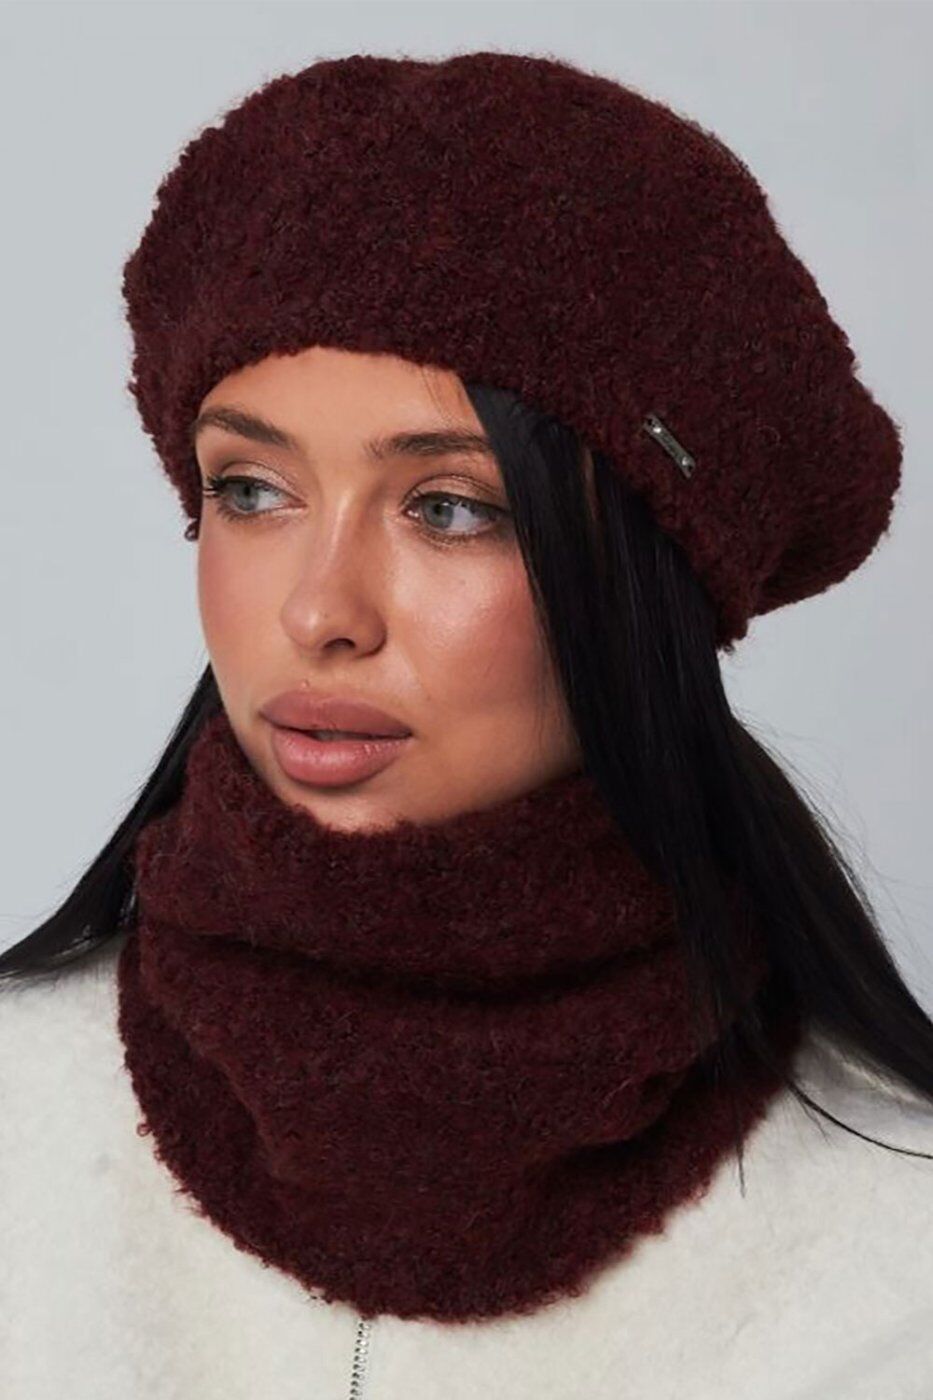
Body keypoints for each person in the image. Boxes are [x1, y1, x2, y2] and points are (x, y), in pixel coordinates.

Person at [2, 49, 931, 1400]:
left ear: (646, 575)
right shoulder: (17, 1117)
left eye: (449, 508)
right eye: (250, 490)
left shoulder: (896, 1243)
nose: (319, 612)